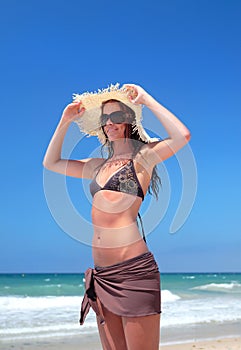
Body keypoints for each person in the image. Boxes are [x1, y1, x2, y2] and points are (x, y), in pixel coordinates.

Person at [43, 83, 191, 350]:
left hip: (133, 272)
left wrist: (146, 99)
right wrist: (64, 121)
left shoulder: (143, 158)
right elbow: (51, 163)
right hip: (102, 276)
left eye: (116, 117)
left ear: (128, 121)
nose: (110, 123)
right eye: (105, 118)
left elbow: (182, 135)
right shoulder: (96, 166)